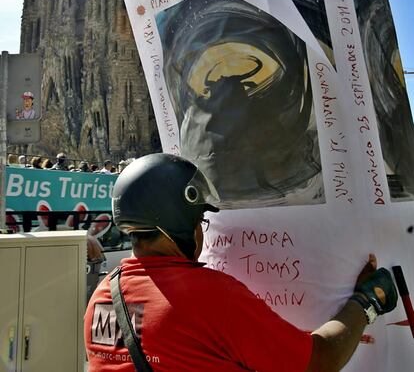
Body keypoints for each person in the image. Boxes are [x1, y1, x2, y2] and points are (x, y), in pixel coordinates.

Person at [84, 154, 398, 372]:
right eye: (200, 221)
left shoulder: (103, 297)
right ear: (180, 224)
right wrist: (366, 300)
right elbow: (319, 361)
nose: (201, 232)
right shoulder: (206, 296)